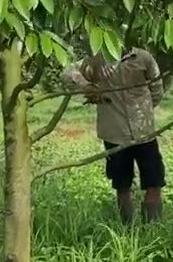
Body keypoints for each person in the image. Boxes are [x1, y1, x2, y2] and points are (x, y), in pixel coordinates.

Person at [64, 42, 166, 224]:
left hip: (144, 134)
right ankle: (128, 229)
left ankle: (154, 230)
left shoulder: (143, 57)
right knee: (122, 186)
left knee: (154, 182)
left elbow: (157, 89)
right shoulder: (97, 59)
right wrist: (87, 86)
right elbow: (68, 72)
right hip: (114, 134)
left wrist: (145, 110)